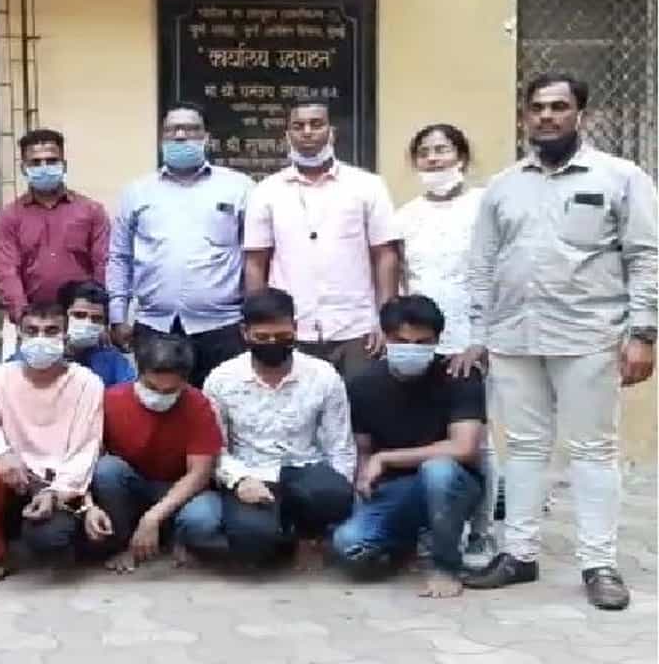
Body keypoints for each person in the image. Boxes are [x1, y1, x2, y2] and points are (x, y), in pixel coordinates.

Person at [461, 74, 657, 611]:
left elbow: (645, 257)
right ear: (524, 116)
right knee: (523, 447)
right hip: (514, 336)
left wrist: (643, 332)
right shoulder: (503, 186)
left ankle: (599, 564)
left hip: (588, 336)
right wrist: (479, 334)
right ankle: (519, 554)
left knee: (593, 449)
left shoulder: (620, 177)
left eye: (559, 107)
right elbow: (481, 264)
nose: (547, 116)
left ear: (580, 115)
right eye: (537, 107)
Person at [393, 123, 500, 568]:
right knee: (428, 436)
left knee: (479, 441)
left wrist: (480, 341)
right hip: (422, 344)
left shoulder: (485, 207)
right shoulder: (406, 216)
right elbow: (403, 280)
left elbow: (496, 276)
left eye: (443, 149)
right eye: (425, 152)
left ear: (462, 156)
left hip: (471, 342)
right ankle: (433, 527)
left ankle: (482, 532)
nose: (434, 158)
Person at [333, 296, 486, 598]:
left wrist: (386, 458)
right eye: (402, 341)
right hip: (397, 489)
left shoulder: (459, 375)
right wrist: (364, 480)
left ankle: (445, 565)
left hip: (454, 484)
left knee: (437, 471)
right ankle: (408, 541)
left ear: (437, 340)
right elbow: (363, 450)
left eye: (422, 342)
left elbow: (464, 447)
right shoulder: (362, 384)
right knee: (349, 544)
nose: (411, 349)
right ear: (386, 338)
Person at [243, 100, 400, 378]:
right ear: (287, 135)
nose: (307, 132)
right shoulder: (266, 191)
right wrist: (260, 323)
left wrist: (385, 320)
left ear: (331, 132)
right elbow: (256, 262)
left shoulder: (368, 185)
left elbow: (385, 255)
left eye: (316, 124)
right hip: (290, 330)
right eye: (298, 126)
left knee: (360, 403)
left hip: (357, 328)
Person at [203, 288, 355, 571]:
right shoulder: (221, 379)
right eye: (262, 338)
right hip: (251, 471)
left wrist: (339, 492)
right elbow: (214, 448)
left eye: (283, 336)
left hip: (305, 468)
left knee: (334, 495)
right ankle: (278, 531)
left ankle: (308, 534)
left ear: (295, 328)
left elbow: (340, 444)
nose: (273, 343)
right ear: (245, 333)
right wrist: (239, 481)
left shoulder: (323, 375)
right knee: (254, 540)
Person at [107, 103, 255, 387]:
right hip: (155, 325)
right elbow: (120, 256)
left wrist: (252, 317)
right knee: (158, 404)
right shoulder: (137, 191)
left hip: (223, 326)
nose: (180, 136)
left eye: (190, 129)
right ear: (161, 138)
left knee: (221, 404)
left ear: (206, 137)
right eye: (172, 130)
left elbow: (254, 257)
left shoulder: (239, 187)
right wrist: (117, 316)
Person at [0, 301, 106, 585]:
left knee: (49, 538)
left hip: (58, 481)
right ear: (19, 335)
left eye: (51, 331)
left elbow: (85, 450)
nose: (40, 339)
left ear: (65, 336)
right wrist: (3, 453)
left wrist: (54, 493)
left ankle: (73, 535)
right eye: (32, 331)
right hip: (12, 473)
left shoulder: (87, 383)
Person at [91, 333, 225, 573]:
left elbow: (199, 473)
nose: (160, 396)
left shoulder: (199, 405)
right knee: (106, 470)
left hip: (180, 489)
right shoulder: (111, 400)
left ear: (185, 381)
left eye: (170, 390)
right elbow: (92, 456)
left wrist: (152, 517)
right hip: (132, 487)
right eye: (152, 388)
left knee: (203, 519)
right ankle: (124, 543)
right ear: (139, 373)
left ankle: (178, 539)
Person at [0, 128, 110, 324]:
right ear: (24, 169)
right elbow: (6, 272)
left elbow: (102, 265)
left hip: (82, 319)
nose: (44, 167)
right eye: (36, 162)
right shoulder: (8, 217)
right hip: (31, 320)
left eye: (52, 161)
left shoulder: (91, 211)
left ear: (64, 165)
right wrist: (24, 318)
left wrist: (98, 315)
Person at [58, 280, 136, 387]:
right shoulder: (47, 355)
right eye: (79, 315)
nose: (87, 323)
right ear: (63, 317)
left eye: (96, 318)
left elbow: (130, 390)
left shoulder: (112, 359)